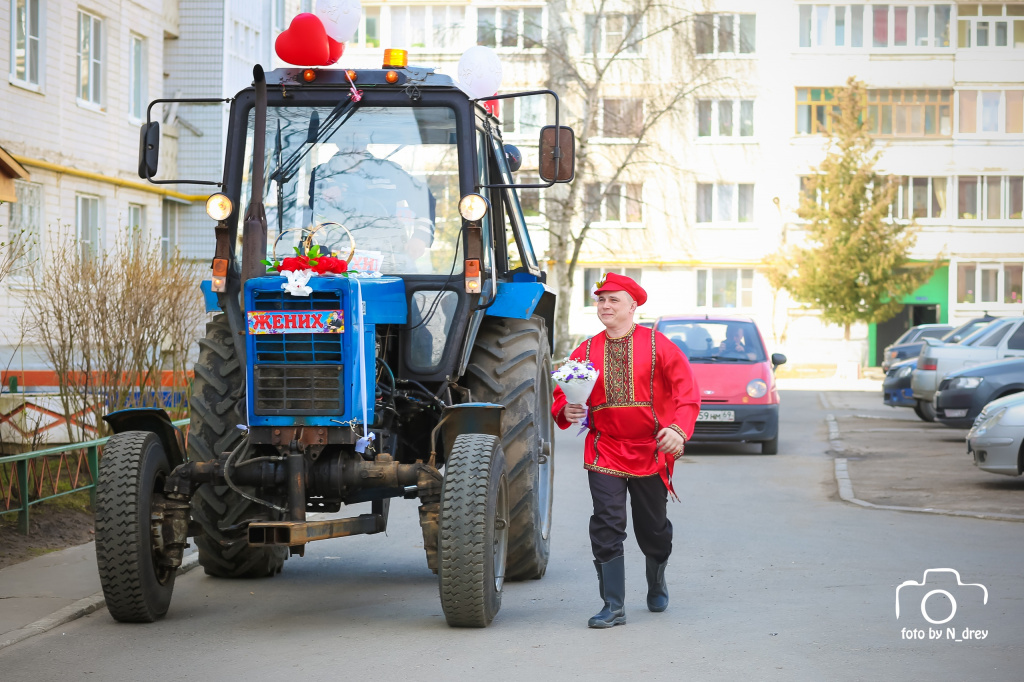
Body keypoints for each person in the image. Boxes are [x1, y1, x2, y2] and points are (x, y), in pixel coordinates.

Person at [552, 272, 701, 628]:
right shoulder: (584, 351)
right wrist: (566, 408)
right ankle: (613, 605)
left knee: (653, 529)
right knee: (606, 523)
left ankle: (656, 578)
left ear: (633, 306)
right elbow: (563, 395)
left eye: (613, 299)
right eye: (601, 299)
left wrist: (678, 432)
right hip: (605, 449)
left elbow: (688, 395)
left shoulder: (659, 345)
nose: (604, 305)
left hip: (652, 450)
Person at [311, 133, 435, 271]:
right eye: (347, 138)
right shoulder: (320, 175)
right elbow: (301, 212)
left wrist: (420, 237)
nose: (353, 144)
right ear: (337, 142)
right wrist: (324, 199)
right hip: (335, 252)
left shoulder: (389, 171)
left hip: (388, 253)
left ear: (366, 142)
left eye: (359, 138)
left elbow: (424, 199)